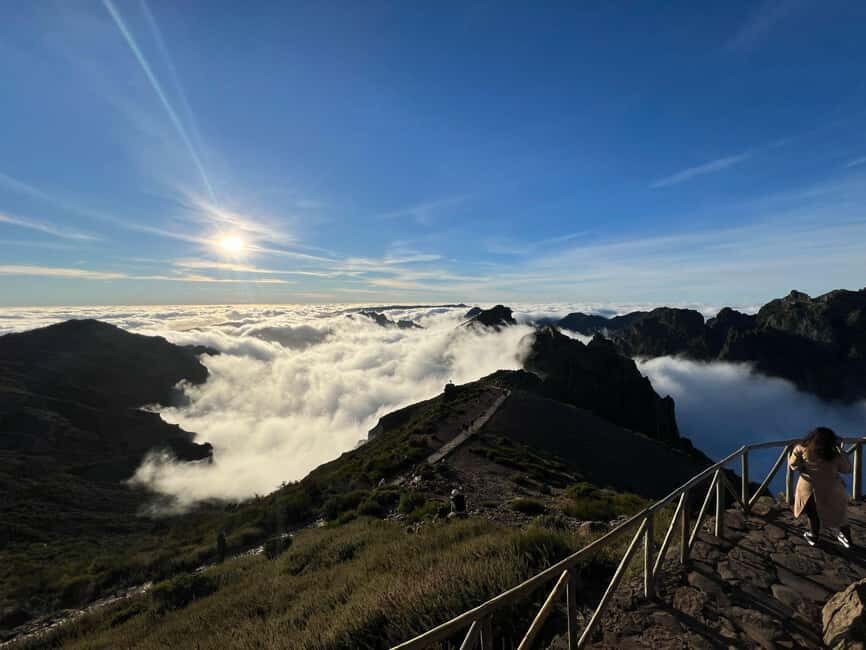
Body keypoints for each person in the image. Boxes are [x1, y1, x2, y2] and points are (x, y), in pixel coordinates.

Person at [789, 427, 853, 548]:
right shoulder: (835, 455)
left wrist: (804, 468)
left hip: (809, 489)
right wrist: (840, 450)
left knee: (813, 514)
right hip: (832, 489)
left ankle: (814, 537)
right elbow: (847, 469)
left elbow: (793, 465)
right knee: (840, 515)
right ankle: (847, 539)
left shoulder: (801, 448)